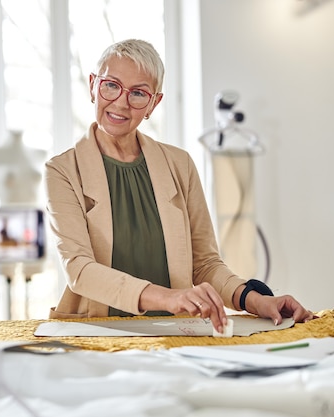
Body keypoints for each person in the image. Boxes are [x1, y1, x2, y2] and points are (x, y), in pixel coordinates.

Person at [43, 39, 313, 333]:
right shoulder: (62, 171)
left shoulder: (179, 165)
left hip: (175, 332)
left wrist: (254, 300)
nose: (121, 102)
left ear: (153, 103)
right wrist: (169, 297)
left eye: (138, 93)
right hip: (98, 332)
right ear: (93, 85)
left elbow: (205, 263)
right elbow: (80, 270)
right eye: (111, 85)